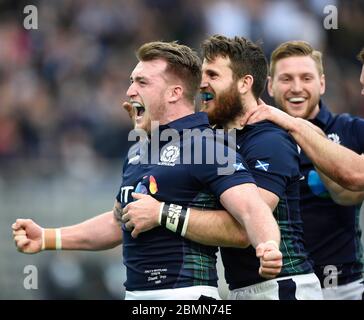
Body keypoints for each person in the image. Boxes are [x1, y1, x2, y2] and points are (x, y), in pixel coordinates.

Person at [12, 41, 282, 300]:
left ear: (174, 92)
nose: (130, 91)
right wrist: (48, 237)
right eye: (131, 81)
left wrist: (268, 245)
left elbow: (250, 211)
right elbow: (119, 222)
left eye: (142, 82)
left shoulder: (207, 144)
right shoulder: (138, 149)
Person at [121, 35, 322, 300]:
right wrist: (151, 133)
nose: (202, 83)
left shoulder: (268, 139)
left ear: (244, 83)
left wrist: (162, 212)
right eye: (202, 74)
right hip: (243, 289)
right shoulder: (213, 140)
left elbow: (244, 226)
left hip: (282, 286)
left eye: (213, 75)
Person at [243, 41, 364, 299]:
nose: (296, 88)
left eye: (306, 78)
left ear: (321, 83)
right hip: (280, 285)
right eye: (286, 79)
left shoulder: (352, 130)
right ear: (270, 86)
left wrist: (306, 135)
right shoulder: (254, 140)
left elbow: (350, 192)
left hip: (345, 287)